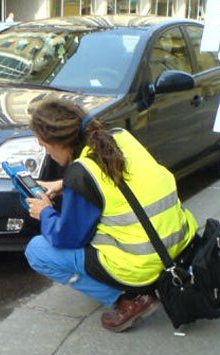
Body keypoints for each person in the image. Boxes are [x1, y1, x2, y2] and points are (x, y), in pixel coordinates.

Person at [24, 99, 198, 332]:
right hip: (180, 245)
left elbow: (67, 238)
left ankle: (128, 299)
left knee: (37, 250)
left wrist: (44, 212)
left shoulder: (81, 173)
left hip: (141, 264)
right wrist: (65, 185)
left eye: (44, 146)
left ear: (57, 142)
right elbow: (122, 180)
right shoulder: (121, 137)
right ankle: (138, 286)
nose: (47, 152)